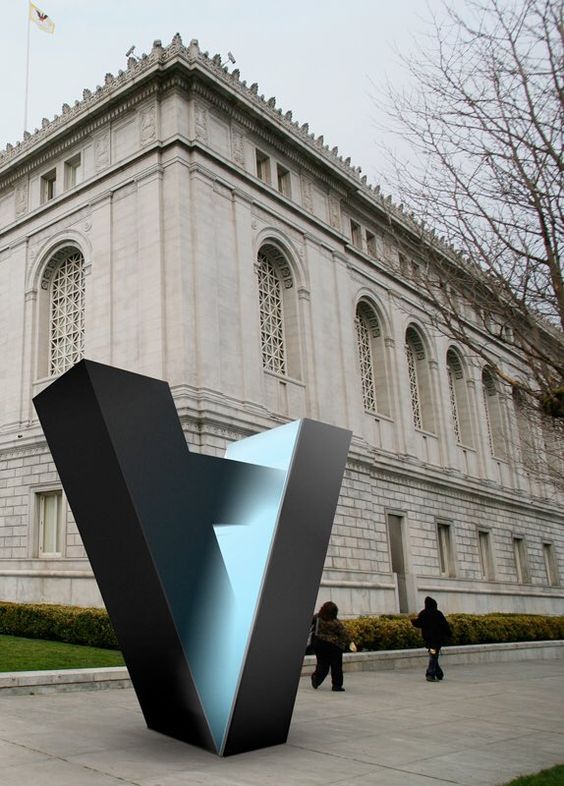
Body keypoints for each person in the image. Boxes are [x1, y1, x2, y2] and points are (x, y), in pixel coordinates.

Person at [310, 601, 352, 692]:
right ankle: (337, 685)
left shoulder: (317, 618)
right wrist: (350, 643)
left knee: (322, 664)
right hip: (334, 646)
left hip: (319, 644)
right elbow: (344, 634)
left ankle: (316, 679)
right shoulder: (336, 622)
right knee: (336, 666)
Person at [411, 596, 451, 682]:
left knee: (433, 655)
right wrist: (449, 634)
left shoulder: (423, 613)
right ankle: (430, 674)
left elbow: (418, 623)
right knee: (433, 656)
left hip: (429, 641)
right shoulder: (438, 614)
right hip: (437, 641)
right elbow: (445, 625)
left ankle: (439, 673)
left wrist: (412, 621)